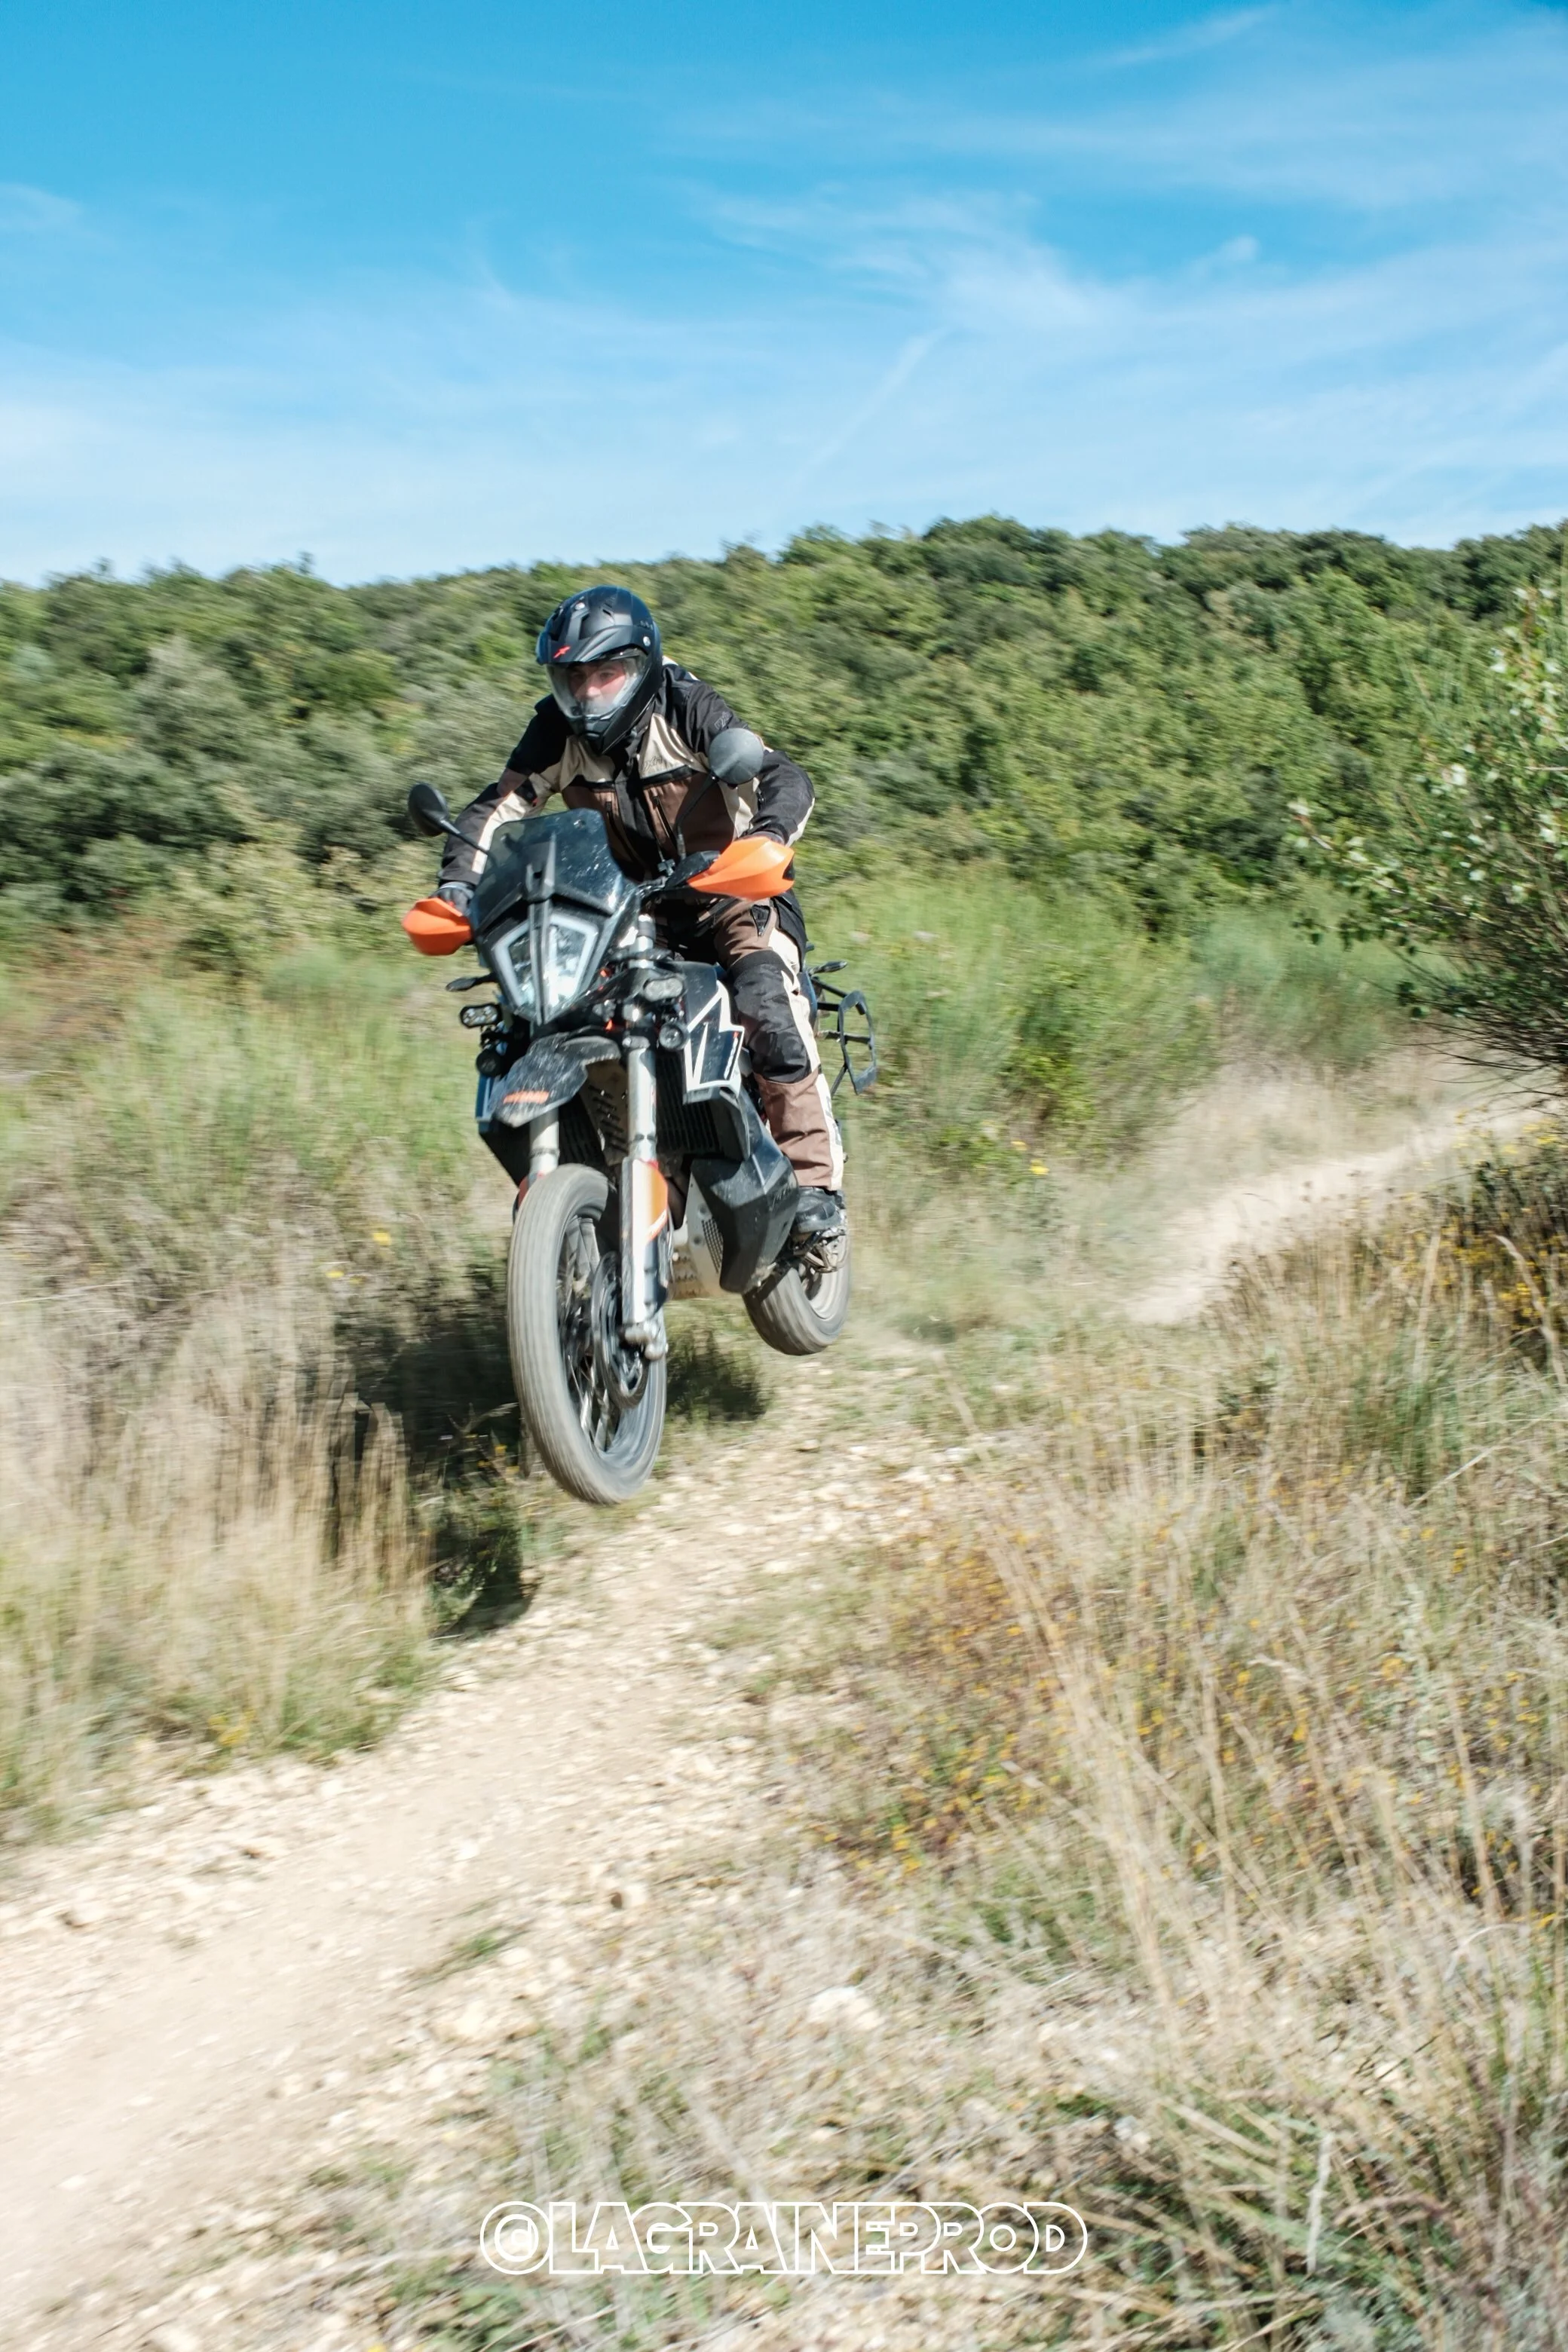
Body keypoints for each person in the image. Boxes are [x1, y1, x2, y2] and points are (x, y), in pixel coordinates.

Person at [435, 583, 845, 1239]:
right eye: (575, 679)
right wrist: (458, 886)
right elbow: (499, 808)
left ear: (641, 666)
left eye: (607, 674)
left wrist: (765, 840)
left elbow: (781, 775)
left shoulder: (685, 705)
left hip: (728, 894)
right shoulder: (554, 729)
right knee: (537, 1019)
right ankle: (597, 1201)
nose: (589, 693)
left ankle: (812, 1185)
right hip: (621, 911)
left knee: (765, 995)